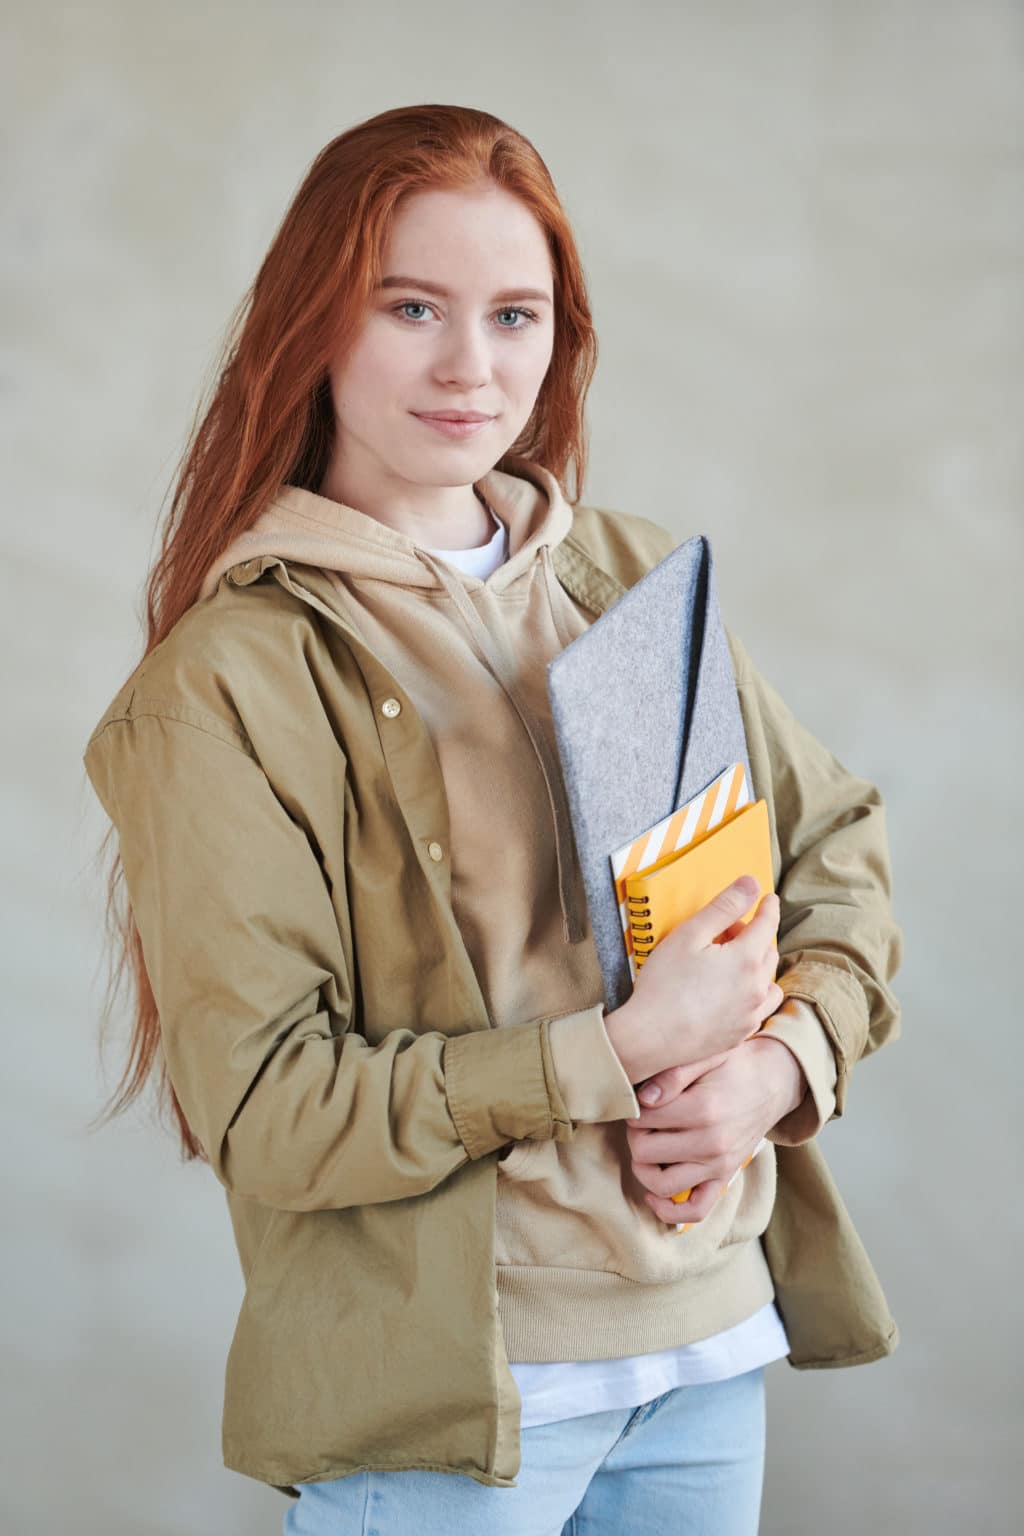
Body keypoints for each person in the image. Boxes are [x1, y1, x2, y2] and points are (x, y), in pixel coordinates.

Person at [82, 104, 903, 1536]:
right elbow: (273, 1111)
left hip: (708, 1354)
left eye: (515, 314)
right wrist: (620, 1054)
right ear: (314, 328)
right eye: (413, 307)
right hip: (462, 1406)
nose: (473, 366)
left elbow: (836, 851)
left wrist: (780, 1065)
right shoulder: (228, 684)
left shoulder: (626, 578)